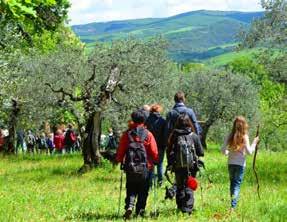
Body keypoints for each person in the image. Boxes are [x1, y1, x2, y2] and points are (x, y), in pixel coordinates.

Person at [116, 110, 158, 219]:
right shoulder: (148, 134)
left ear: (132, 119)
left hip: (130, 167)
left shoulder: (127, 134)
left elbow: (120, 150)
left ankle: (129, 205)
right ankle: (140, 210)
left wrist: (120, 160)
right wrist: (155, 161)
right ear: (144, 120)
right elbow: (154, 152)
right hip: (146, 167)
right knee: (143, 189)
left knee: (131, 187)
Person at [167, 114, 204, 214]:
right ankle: (187, 209)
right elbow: (201, 152)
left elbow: (169, 150)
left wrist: (170, 164)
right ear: (189, 123)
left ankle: (180, 206)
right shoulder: (193, 136)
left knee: (180, 186)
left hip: (178, 165)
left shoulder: (174, 136)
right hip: (191, 166)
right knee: (189, 186)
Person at [221, 116, 259, 210]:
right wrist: (254, 142)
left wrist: (227, 153)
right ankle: (233, 207)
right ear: (244, 125)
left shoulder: (230, 135)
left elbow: (222, 150)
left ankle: (232, 203)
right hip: (240, 164)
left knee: (232, 184)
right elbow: (250, 152)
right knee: (237, 185)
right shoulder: (244, 136)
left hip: (231, 163)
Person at [145, 104, 167, 186]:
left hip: (149, 146)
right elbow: (165, 135)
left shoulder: (147, 120)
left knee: (150, 165)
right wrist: (165, 145)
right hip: (160, 146)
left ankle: (150, 183)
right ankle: (160, 183)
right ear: (159, 111)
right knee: (160, 164)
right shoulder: (163, 121)